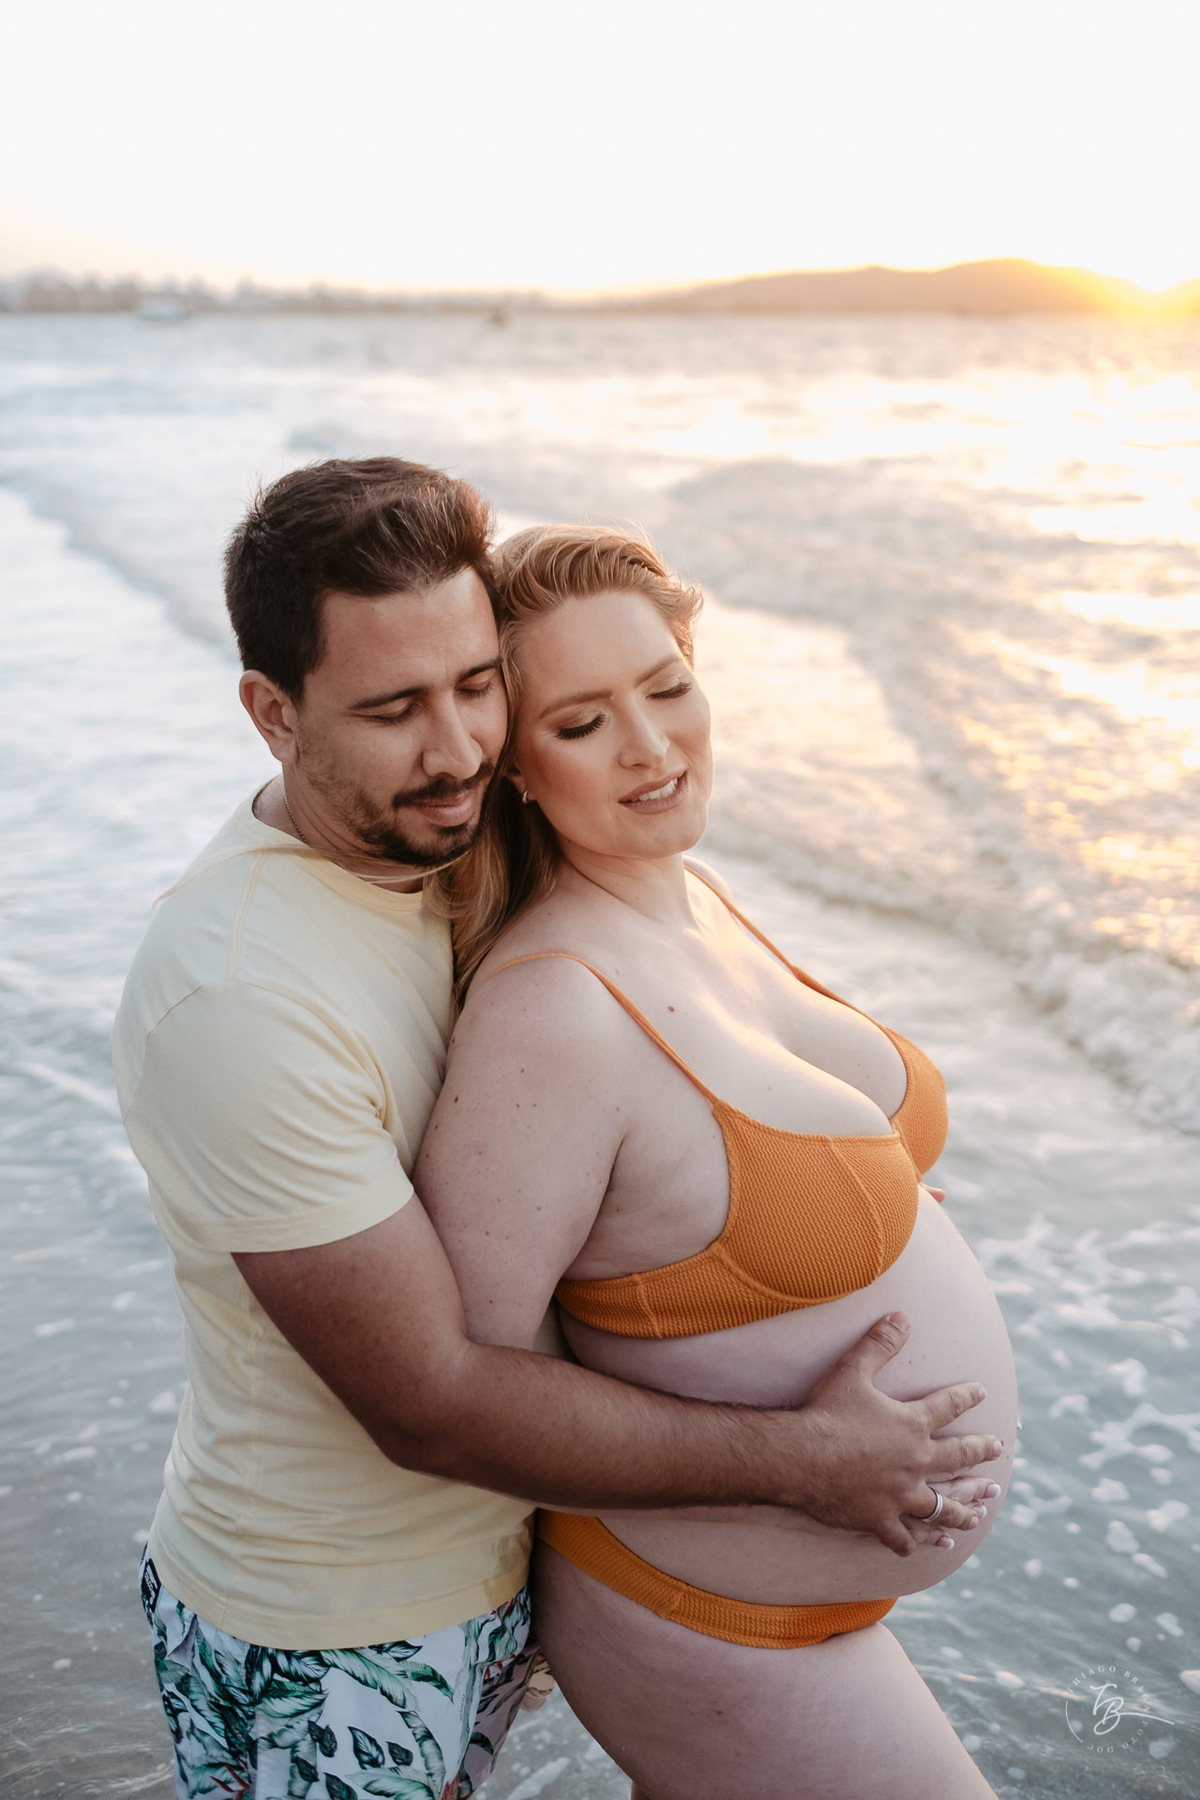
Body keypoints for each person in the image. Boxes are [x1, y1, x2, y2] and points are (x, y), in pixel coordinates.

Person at [114, 460, 1002, 1800]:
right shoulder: (243, 991)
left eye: (477, 687)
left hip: (501, 1582)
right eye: (396, 707)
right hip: (343, 1620)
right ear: (272, 715)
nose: (459, 745)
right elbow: (435, 1395)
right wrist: (807, 1462)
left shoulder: (473, 876)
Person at [415, 522, 1018, 1800]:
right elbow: (463, 1386)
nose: (648, 745)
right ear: (512, 766)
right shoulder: (555, 1010)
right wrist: (802, 1460)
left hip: (806, 1587)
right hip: (706, 1621)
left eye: (668, 687)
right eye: (581, 723)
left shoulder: (688, 888)